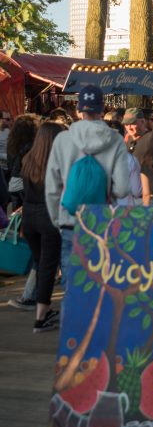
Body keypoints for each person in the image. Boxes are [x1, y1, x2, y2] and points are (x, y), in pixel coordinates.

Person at [45, 85, 130, 287]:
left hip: (69, 220)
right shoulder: (116, 140)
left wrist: (58, 220)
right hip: (101, 221)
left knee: (71, 286)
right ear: (102, 110)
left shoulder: (62, 139)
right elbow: (122, 189)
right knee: (98, 286)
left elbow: (51, 188)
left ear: (78, 110)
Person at [20, 122, 64, 332]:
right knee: (48, 266)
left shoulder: (28, 159)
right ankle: (41, 316)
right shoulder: (58, 162)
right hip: (49, 215)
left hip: (29, 216)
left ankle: (41, 307)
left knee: (41, 264)